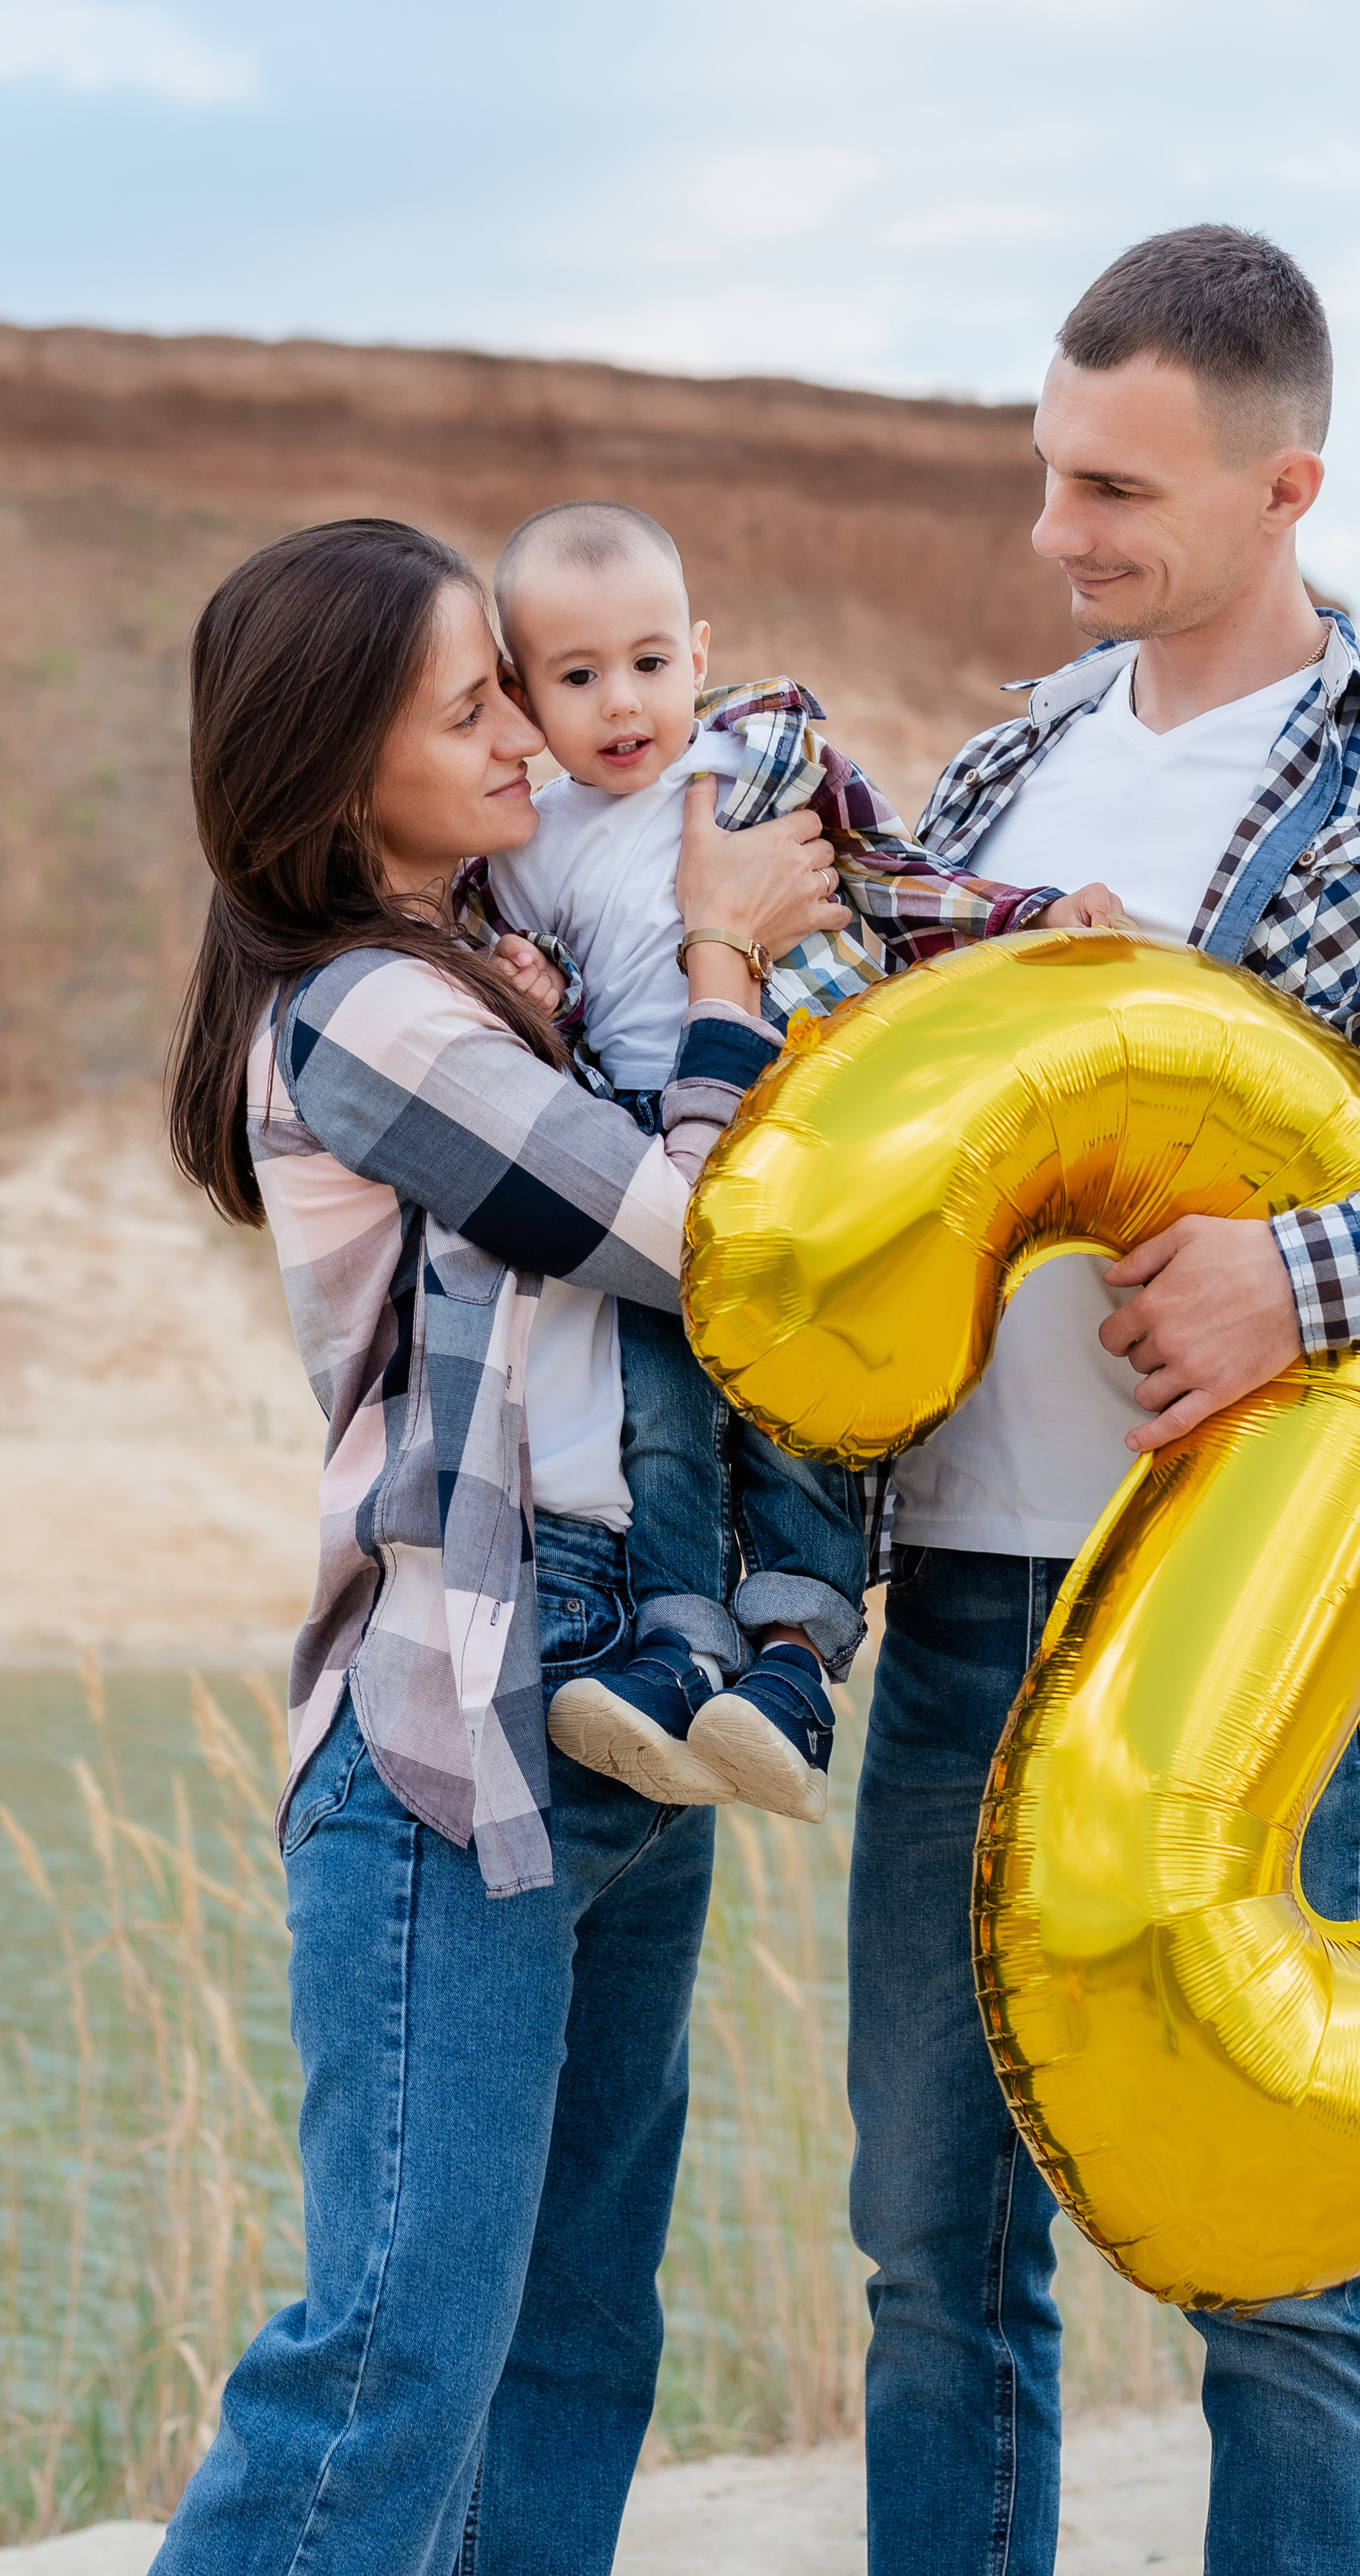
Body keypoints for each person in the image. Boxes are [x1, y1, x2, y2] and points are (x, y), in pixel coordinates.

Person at [849, 224, 1360, 2575]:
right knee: (925, 2258)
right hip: (963, 1611)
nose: (1057, 533)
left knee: (1282, 2276)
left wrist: (1314, 1271)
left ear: (1287, 486)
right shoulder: (991, 773)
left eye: (1118, 492)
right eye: (1048, 474)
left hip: (1244, 1664)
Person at [153, 515, 842, 2575]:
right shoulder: (368, 1018)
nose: (535, 739)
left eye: (517, 692)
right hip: (453, 1714)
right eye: (476, 709)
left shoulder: (502, 968)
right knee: (391, 2356)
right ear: (336, 768)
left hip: (629, 1667)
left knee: (573, 2338)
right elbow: (692, 1237)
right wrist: (722, 955)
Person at [470, 496, 1121, 1821]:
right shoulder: (525, 847)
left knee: (796, 1419)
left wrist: (1035, 916)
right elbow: (543, 1019)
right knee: (664, 1412)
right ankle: (676, 1646)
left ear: (698, 654)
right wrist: (530, 990)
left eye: (650, 662)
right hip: (654, 1167)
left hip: (809, 1135)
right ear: (524, 696)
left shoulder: (757, 762)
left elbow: (890, 878)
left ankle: (793, 1665)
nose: (622, 702)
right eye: (578, 676)